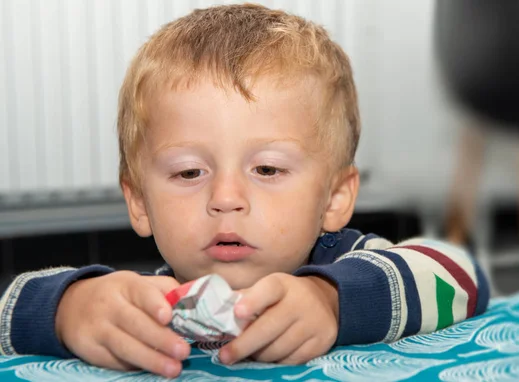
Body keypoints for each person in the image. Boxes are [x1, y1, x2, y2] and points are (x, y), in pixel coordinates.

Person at [0, 4, 489, 379]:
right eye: (190, 173)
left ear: (336, 197)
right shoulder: (155, 302)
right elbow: (8, 310)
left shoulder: (349, 264)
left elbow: (463, 276)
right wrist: (71, 309)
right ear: (138, 202)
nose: (226, 197)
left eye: (268, 169)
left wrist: (333, 303)